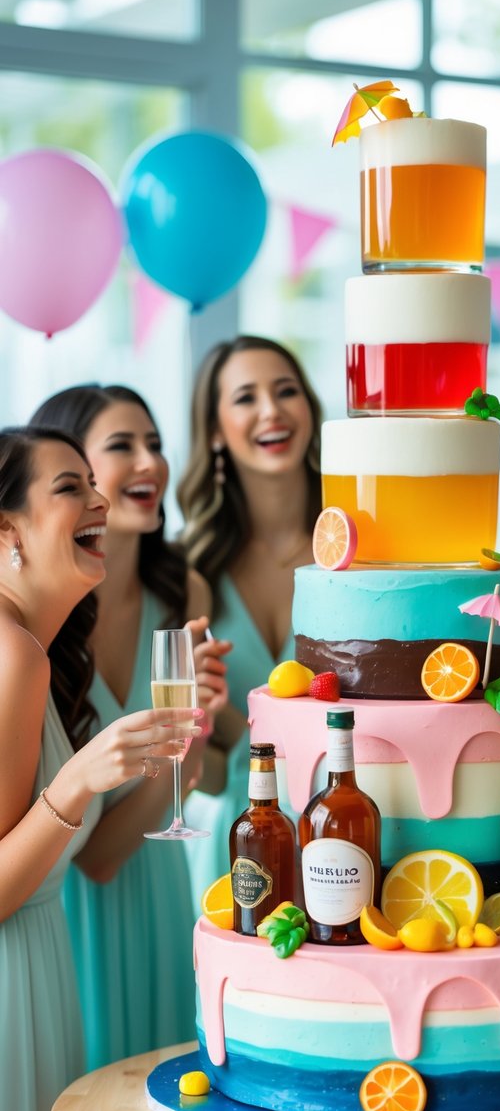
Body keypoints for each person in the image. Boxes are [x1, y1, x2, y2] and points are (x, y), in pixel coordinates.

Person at [0, 425, 203, 1111]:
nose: (99, 499)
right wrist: (76, 784)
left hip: (39, 973)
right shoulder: (11, 653)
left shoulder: (30, 649)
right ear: (6, 529)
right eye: (69, 488)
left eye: (94, 482)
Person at [31, 385, 226, 1072]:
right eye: (122, 447)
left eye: (156, 444)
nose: (149, 462)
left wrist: (194, 729)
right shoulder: (41, 627)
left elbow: (178, 780)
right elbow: (90, 856)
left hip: (154, 870)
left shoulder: (184, 593)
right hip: (65, 899)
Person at [176, 335, 323, 913]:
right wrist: (202, 723)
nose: (271, 410)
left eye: (286, 390)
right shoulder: (191, 571)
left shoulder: (359, 549)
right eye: (245, 397)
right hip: (242, 846)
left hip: (346, 829)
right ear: (214, 429)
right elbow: (206, 775)